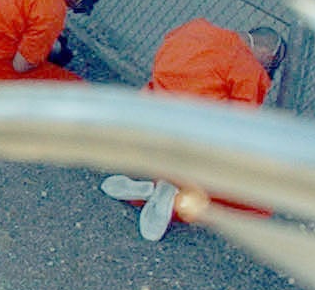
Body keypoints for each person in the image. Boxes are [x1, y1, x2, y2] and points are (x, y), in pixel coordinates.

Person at [102, 21, 285, 240]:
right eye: (270, 65)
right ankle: (171, 195)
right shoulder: (249, 69)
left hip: (145, 126)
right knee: (261, 207)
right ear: (267, 53)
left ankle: (155, 186)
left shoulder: (194, 28)